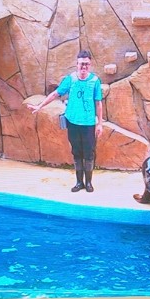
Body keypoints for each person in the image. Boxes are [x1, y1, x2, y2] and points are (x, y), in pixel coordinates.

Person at [27, 49, 104, 193]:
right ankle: (79, 182)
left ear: (90, 65)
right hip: (73, 122)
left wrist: (99, 123)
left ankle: (89, 183)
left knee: (89, 153)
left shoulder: (95, 81)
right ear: (76, 64)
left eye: (86, 64)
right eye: (81, 64)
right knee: (76, 152)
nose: (84, 67)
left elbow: (98, 103)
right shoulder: (70, 79)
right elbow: (56, 93)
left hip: (88, 124)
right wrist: (40, 106)